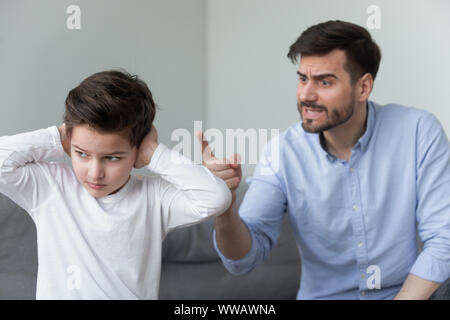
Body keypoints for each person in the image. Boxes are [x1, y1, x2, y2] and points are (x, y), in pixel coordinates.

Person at [199, 20, 450, 299]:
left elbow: (444, 238)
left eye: (324, 82)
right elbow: (243, 259)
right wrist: (226, 206)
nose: (306, 94)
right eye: (303, 79)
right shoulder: (282, 152)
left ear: (363, 87)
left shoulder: (417, 131)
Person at [0, 70, 232, 299]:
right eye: (82, 154)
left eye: (112, 158)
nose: (95, 173)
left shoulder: (154, 198)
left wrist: (154, 153)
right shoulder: (50, 187)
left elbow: (216, 198)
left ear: (137, 151)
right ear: (70, 143)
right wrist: (58, 136)